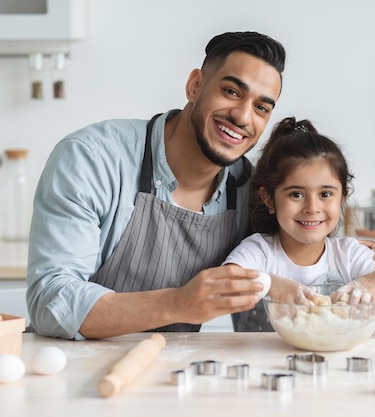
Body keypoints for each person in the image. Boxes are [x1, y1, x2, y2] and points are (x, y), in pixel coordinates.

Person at [26, 31, 286, 340]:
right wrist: (178, 303)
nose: (243, 116)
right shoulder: (92, 158)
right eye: (231, 91)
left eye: (261, 108)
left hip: (174, 375)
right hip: (72, 372)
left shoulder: (249, 190)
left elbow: (293, 271)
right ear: (195, 85)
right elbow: (51, 302)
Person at [223, 117, 375, 331]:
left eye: (325, 194)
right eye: (297, 194)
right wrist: (271, 284)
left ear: (342, 198)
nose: (312, 207)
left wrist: (374, 283)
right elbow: (223, 284)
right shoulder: (259, 251)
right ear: (269, 200)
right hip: (262, 361)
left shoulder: (348, 254)